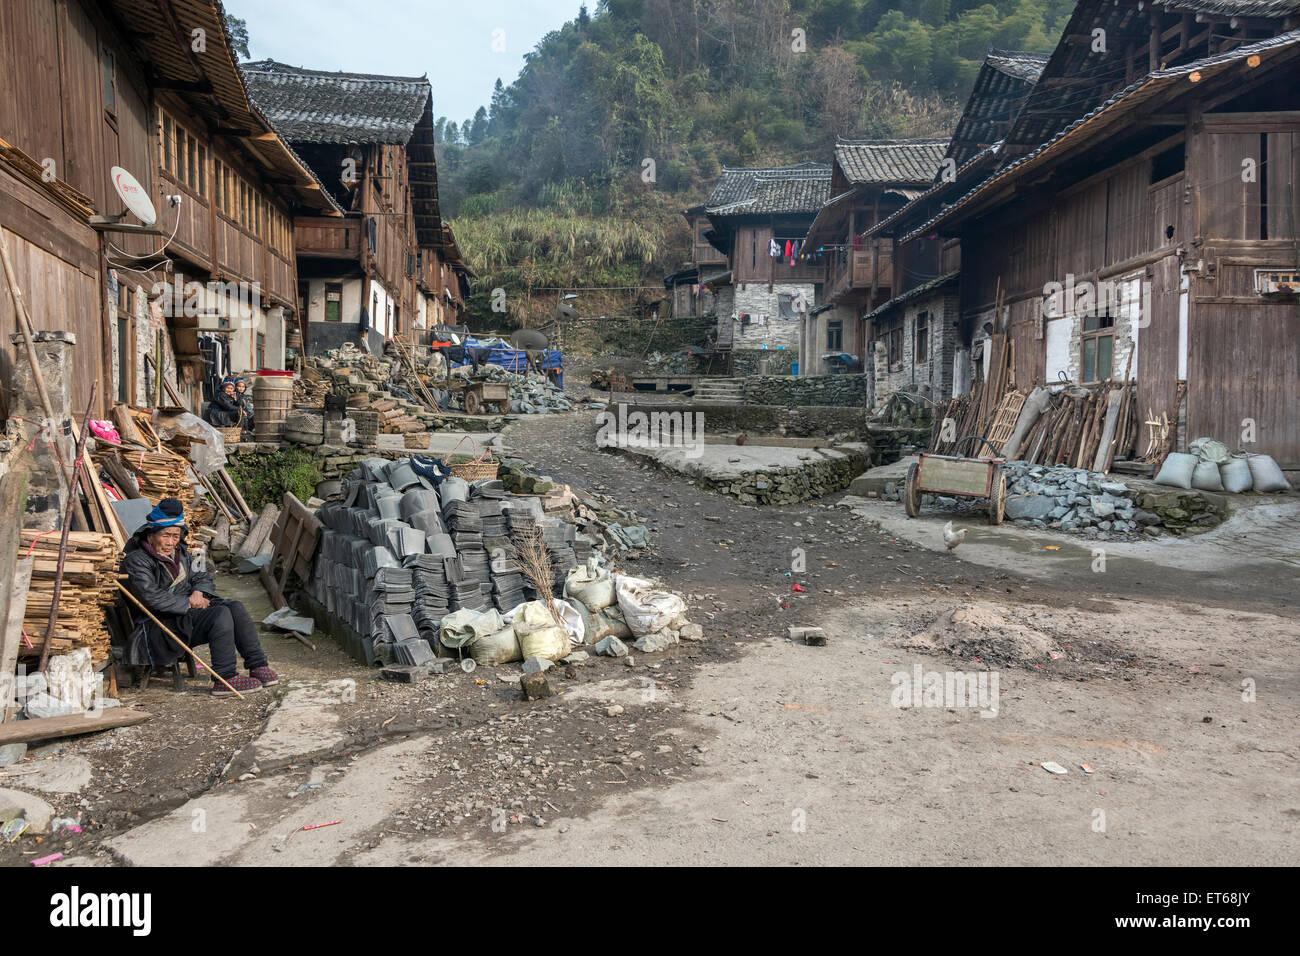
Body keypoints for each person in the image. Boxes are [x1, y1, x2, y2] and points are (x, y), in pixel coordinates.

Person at [122, 498, 277, 697]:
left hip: (184, 617)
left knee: (235, 607)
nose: (170, 542)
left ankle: (257, 665)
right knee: (219, 614)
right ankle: (225, 677)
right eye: (165, 535)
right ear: (151, 535)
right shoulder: (138, 560)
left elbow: (202, 575)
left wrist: (198, 592)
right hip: (160, 626)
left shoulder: (183, 553)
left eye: (175, 535)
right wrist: (188, 602)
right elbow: (151, 598)